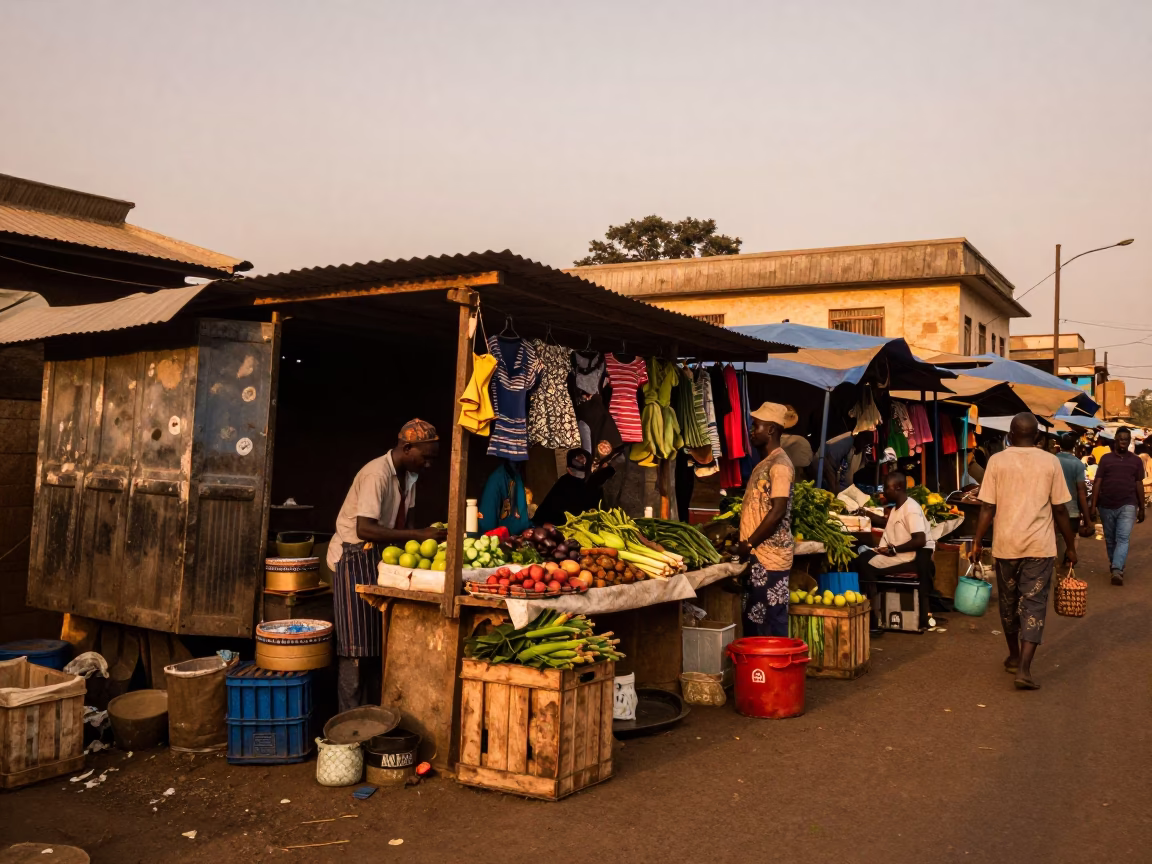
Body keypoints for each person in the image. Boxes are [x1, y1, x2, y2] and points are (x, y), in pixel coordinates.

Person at [328, 419, 445, 713]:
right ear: (407, 448)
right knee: (355, 651)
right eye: (426, 457)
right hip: (352, 558)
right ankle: (349, 726)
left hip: (379, 560)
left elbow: (408, 525)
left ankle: (373, 719)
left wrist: (428, 541)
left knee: (379, 647)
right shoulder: (375, 475)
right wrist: (419, 536)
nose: (428, 465)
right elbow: (366, 529)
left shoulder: (409, 477)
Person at [968, 413, 1077, 691]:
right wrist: (1071, 546)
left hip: (1007, 545)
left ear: (1011, 435)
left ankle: (1015, 656)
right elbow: (1061, 509)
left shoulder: (997, 461)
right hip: (1040, 547)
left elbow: (987, 507)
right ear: (1038, 437)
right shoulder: (1050, 461)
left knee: (1008, 603)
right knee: (1034, 604)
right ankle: (1025, 669)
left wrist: (978, 541)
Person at [737, 402, 798, 637]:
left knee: (771, 620)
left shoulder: (780, 466)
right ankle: (759, 669)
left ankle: (776, 670)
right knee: (756, 618)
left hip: (771, 557)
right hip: (759, 555)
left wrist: (749, 543)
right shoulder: (766, 463)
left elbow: (777, 511)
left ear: (771, 430)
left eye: (756, 426)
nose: (752, 431)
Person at [854, 471, 935, 627]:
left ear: (898, 487)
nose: (883, 492)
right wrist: (866, 513)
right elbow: (887, 523)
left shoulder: (910, 509)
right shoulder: (898, 507)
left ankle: (873, 614)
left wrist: (895, 550)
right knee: (860, 554)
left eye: (886, 488)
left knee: (864, 563)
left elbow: (920, 539)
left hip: (909, 557)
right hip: (896, 552)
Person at [1090, 427, 1146, 586]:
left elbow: (1139, 484)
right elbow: (1098, 482)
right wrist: (1093, 506)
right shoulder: (1106, 459)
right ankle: (1116, 563)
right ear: (1115, 440)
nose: (1123, 442)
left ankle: (1117, 569)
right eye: (1121, 439)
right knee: (1110, 539)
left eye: (1126, 440)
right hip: (1106, 505)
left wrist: (1142, 508)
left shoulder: (1136, 461)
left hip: (1128, 505)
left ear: (1129, 442)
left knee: (1122, 537)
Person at [532, 448, 616, 527]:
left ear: (568, 469)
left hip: (587, 527)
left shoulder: (593, 481)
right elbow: (542, 514)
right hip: (568, 528)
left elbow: (540, 517)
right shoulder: (566, 483)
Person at [1055, 432, 1092, 564]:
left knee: (1056, 543)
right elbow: (1081, 492)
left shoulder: (1052, 460)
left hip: (1052, 512)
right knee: (1070, 543)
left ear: (1059, 446)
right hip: (1072, 513)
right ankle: (1066, 575)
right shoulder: (1077, 464)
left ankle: (1058, 575)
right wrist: (1087, 519)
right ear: (1075, 447)